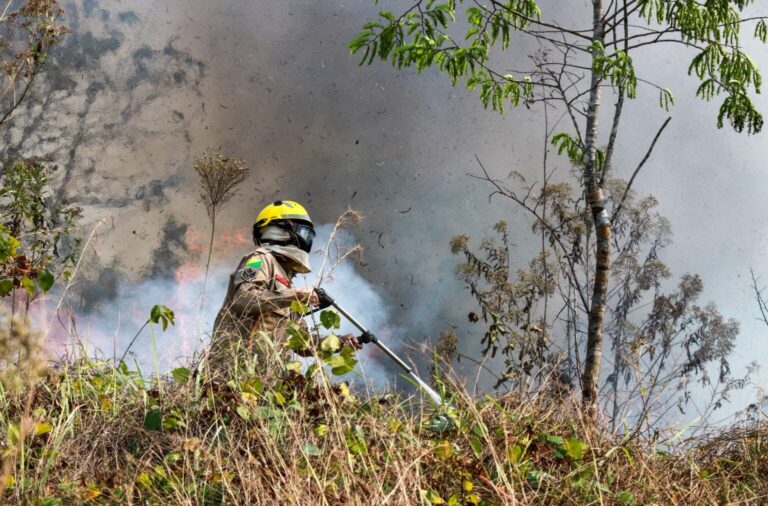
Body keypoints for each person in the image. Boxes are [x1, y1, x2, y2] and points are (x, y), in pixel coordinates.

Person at [206, 200, 360, 376]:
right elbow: (243, 299)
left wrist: (339, 342)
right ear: (279, 232)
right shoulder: (258, 260)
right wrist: (295, 295)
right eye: (302, 232)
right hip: (233, 375)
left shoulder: (287, 284)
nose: (306, 239)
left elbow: (301, 343)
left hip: (266, 382)